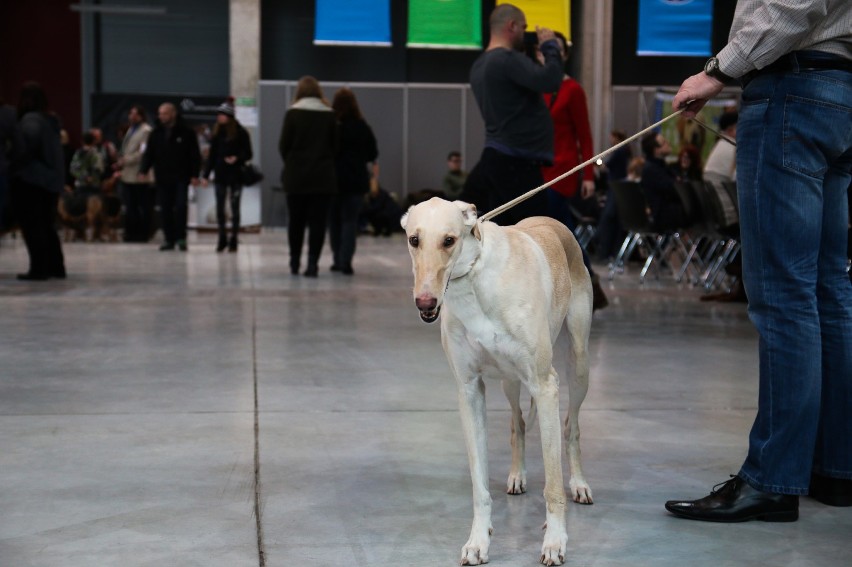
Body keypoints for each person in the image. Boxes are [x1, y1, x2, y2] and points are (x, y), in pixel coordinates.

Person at [665, 0, 852, 522]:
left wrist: (719, 70)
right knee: (827, 290)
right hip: (841, 93)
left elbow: (794, 3)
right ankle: (836, 468)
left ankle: (773, 478)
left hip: (791, 89)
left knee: (784, 294)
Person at [460, 3, 563, 226]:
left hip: (498, 158)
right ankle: (575, 263)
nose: (525, 34)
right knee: (542, 234)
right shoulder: (506, 60)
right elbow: (551, 80)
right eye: (523, 27)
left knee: (502, 232)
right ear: (512, 26)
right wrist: (551, 48)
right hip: (517, 162)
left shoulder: (479, 65)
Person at [278, 76, 338, 277]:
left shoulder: (292, 113)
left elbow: (283, 145)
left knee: (296, 221)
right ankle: (312, 263)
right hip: (322, 178)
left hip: (296, 177)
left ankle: (294, 261)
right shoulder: (330, 115)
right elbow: (335, 147)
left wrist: (294, 162)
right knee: (318, 224)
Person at [9, 82, 66, 280]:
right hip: (51, 181)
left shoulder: (30, 121)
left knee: (33, 227)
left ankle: (39, 269)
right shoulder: (50, 121)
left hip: (33, 180)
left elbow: (25, 148)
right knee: (47, 226)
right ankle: (56, 267)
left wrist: (12, 166)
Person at [328, 87, 378, 275]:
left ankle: (336, 259)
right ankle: (346, 262)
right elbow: (373, 153)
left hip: (332, 181)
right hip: (356, 181)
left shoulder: (332, 125)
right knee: (350, 222)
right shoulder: (362, 126)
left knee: (334, 222)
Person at [139, 102, 201, 252]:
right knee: (165, 208)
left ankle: (181, 238)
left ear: (173, 114)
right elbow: (149, 154)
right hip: (163, 176)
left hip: (181, 176)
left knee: (180, 206)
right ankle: (169, 238)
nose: (161, 116)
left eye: (165, 113)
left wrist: (194, 174)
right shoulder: (156, 133)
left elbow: (194, 155)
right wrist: (143, 170)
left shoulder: (186, 132)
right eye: (160, 113)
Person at [201, 99, 252, 253]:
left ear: (229, 116)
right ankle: (222, 237)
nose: (219, 117)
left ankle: (234, 239)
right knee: (220, 208)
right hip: (221, 174)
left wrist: (237, 157)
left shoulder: (241, 132)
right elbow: (212, 156)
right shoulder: (217, 133)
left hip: (236, 174)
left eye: (221, 115)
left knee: (235, 208)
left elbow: (249, 153)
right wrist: (206, 175)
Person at [113, 105, 153, 242]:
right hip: (127, 175)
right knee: (130, 206)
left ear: (141, 116)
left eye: (135, 114)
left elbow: (143, 152)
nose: (132, 116)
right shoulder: (130, 129)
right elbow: (127, 149)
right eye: (131, 113)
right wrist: (120, 161)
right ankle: (131, 233)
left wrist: (126, 160)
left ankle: (143, 234)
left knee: (142, 206)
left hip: (139, 174)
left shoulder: (146, 131)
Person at [640, 132, 685, 233]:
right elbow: (675, 189)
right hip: (664, 217)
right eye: (664, 142)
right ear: (656, 150)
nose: (668, 143)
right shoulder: (653, 169)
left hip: (664, 213)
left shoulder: (657, 166)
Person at [68, 131, 104, 240]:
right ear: (94, 141)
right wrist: (91, 177)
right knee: (96, 210)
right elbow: (100, 169)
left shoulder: (78, 153)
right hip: (94, 186)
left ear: (82, 141)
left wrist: (83, 177)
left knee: (79, 209)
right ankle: (96, 234)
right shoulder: (97, 154)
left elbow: (73, 169)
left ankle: (79, 233)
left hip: (81, 186)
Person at [702, 110, 738, 183]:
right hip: (722, 185)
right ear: (730, 129)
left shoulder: (720, 143)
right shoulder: (733, 145)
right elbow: (735, 176)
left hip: (708, 182)